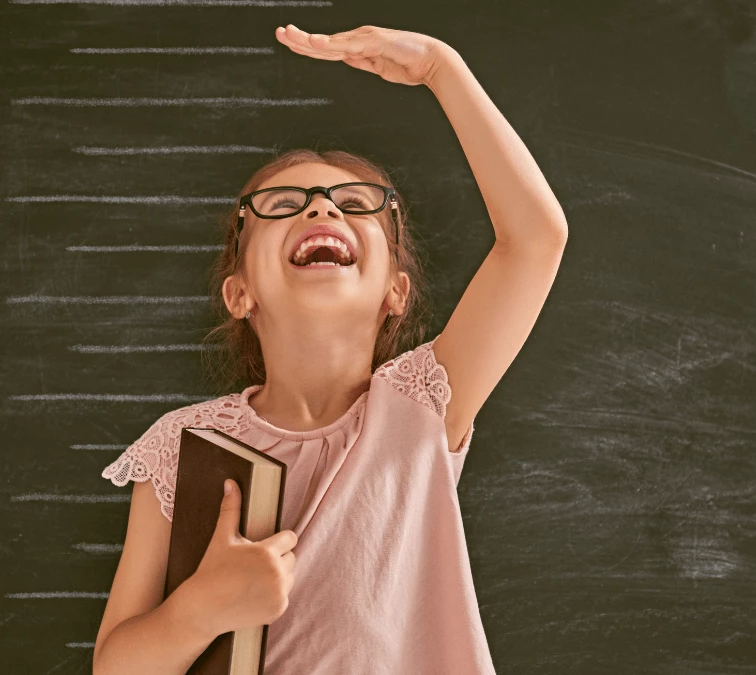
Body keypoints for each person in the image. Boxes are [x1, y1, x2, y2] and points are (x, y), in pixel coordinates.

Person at [93, 24, 568, 675]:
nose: (321, 210)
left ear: (395, 292)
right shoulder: (181, 445)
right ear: (240, 292)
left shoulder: (421, 407)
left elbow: (536, 238)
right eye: (285, 204)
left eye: (352, 204)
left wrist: (440, 68)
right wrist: (200, 609)